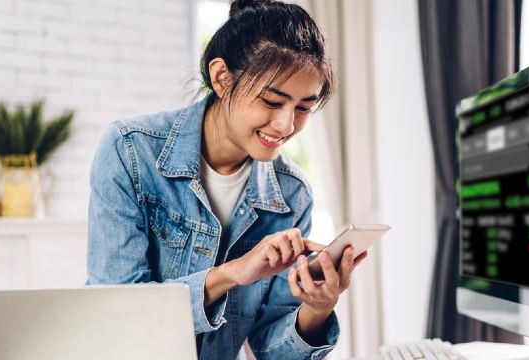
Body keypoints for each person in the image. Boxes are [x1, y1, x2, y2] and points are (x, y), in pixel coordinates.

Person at [87, 0, 366, 358]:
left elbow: (272, 350)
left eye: (303, 108)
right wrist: (233, 273)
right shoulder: (131, 151)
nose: (286, 125)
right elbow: (116, 310)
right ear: (222, 78)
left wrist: (317, 308)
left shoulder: (292, 194)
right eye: (271, 101)